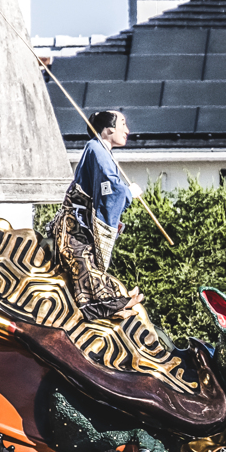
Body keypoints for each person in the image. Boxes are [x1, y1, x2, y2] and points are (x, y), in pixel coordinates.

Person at [48, 110, 143, 321]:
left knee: (94, 264)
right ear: (109, 128)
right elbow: (111, 191)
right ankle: (105, 305)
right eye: (123, 124)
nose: (127, 130)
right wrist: (128, 192)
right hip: (74, 226)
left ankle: (113, 302)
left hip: (82, 223)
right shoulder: (96, 148)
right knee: (85, 264)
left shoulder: (101, 151)